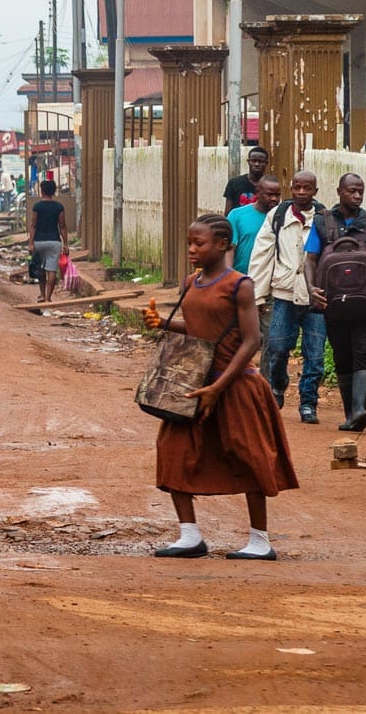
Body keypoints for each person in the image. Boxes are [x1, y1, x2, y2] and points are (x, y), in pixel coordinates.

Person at [141, 213, 299, 560]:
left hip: (237, 385)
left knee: (249, 455)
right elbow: (201, 328)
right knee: (173, 452)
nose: (192, 249)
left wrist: (219, 387)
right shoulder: (190, 283)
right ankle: (189, 535)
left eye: (200, 243)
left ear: (224, 245)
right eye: (190, 243)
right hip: (195, 385)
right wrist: (165, 324)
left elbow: (251, 340)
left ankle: (260, 541)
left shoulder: (240, 284)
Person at [304, 173, 366, 431]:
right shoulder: (322, 222)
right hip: (332, 305)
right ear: (339, 191)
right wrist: (311, 289)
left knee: (362, 354)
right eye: (352, 191)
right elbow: (311, 259)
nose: (357, 196)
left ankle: (358, 410)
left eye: (360, 191)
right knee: (342, 356)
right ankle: (351, 415)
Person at [249, 171, 327, 423]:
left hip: (315, 298)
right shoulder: (277, 216)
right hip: (283, 293)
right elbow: (262, 255)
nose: (302, 193)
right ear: (291, 189)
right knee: (278, 348)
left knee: (314, 356)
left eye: (307, 188)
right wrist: (257, 296)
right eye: (297, 188)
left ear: (315, 190)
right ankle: (278, 385)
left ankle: (308, 404)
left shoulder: (325, 219)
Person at [226, 175, 280, 274]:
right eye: (269, 195)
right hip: (241, 277)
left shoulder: (282, 217)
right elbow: (229, 249)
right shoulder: (237, 215)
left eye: (277, 195)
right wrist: (229, 277)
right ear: (257, 192)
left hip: (270, 279)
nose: (274, 199)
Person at [30, 179, 69, 303]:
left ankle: (41, 295)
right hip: (54, 242)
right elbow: (62, 226)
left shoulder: (37, 207)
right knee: (52, 271)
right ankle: (48, 298)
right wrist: (66, 244)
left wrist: (31, 243)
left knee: (41, 270)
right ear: (54, 191)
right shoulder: (59, 207)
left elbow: (33, 226)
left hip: (39, 242)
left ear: (42, 191)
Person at [223, 146, 270, 214]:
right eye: (253, 161)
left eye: (260, 161)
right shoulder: (234, 183)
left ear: (266, 163)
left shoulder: (269, 186)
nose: (257, 164)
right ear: (248, 162)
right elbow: (228, 213)